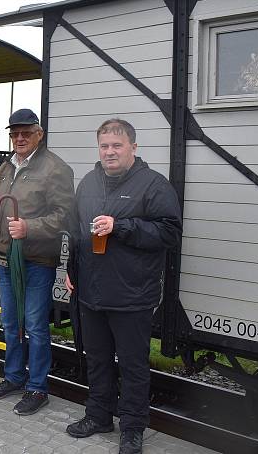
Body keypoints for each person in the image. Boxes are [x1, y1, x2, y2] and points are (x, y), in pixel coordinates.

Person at [65, 119, 182, 454]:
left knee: (132, 365)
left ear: (133, 146)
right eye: (104, 146)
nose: (110, 152)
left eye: (117, 145)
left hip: (132, 295)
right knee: (98, 358)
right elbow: (75, 231)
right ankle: (99, 415)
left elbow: (170, 233)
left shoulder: (153, 185)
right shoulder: (88, 182)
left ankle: (132, 428)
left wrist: (122, 226)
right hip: (91, 291)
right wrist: (71, 269)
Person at [0, 109, 74, 416]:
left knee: (34, 325)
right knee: (10, 323)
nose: (19, 138)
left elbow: (65, 215)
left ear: (39, 134)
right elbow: (0, 209)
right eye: (15, 133)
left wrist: (29, 227)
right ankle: (15, 377)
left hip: (36, 260)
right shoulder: (5, 167)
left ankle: (38, 388)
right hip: (6, 258)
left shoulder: (56, 168)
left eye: (26, 133)